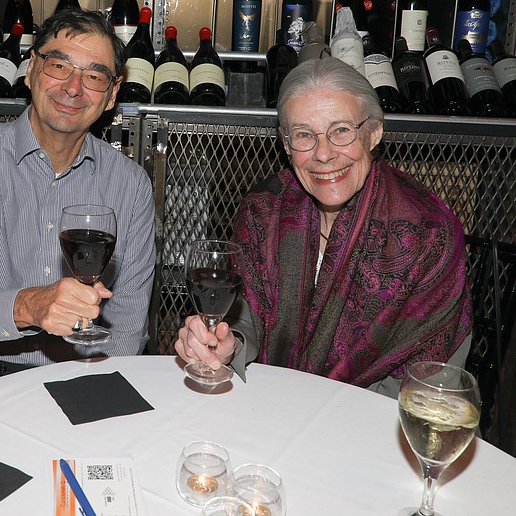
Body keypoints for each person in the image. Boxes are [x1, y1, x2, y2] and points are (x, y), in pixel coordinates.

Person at [176, 57, 472, 397]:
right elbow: (247, 318)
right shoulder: (264, 209)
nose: (324, 154)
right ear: (287, 146)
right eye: (304, 135)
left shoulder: (428, 234)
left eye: (341, 131)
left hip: (381, 424)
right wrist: (226, 344)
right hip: (271, 405)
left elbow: (434, 377)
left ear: (373, 133)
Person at [0, 9, 155, 389]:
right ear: (31, 70)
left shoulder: (131, 184)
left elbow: (127, 321)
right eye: (59, 65)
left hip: (86, 376)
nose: (73, 88)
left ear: (111, 95)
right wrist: (29, 306)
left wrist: (98, 393)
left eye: (94, 76)